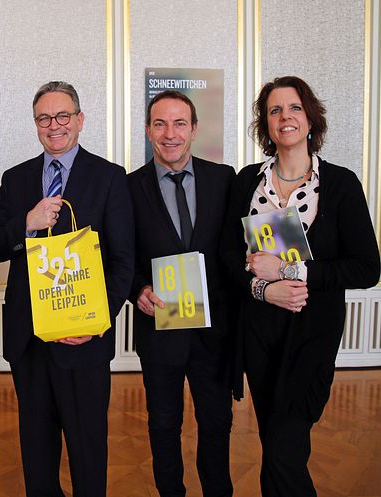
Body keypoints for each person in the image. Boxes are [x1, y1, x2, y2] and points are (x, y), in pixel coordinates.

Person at [221, 76, 380, 496]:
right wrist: (262, 288)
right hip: (258, 331)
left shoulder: (341, 184)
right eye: (274, 110)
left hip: (312, 333)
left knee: (283, 448)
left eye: (293, 108)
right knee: (274, 440)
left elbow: (367, 269)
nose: (284, 117)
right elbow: (226, 258)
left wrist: (292, 273)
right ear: (265, 124)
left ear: (310, 118)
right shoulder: (246, 182)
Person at [0, 81, 134, 497]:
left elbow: (123, 263)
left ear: (80, 120)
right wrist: (26, 223)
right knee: (37, 457)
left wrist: (96, 322)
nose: (54, 126)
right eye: (44, 118)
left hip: (82, 343)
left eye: (63, 116)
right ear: (36, 124)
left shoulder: (109, 178)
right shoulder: (15, 180)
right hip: (28, 341)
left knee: (88, 454)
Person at [128, 90, 235, 497]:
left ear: (193, 129)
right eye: (159, 123)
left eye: (178, 124)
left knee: (216, 423)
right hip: (160, 330)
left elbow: (235, 250)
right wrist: (136, 289)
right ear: (148, 130)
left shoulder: (225, 180)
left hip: (214, 333)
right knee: (163, 424)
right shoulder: (128, 187)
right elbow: (121, 256)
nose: (169, 133)